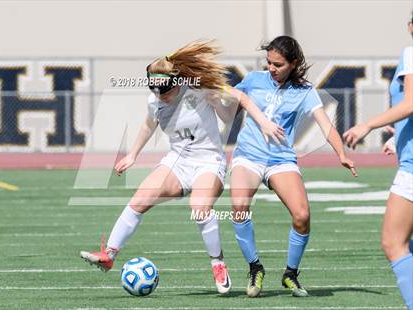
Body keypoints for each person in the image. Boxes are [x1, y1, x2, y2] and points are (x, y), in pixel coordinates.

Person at [80, 40, 284, 295]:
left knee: (199, 208)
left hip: (209, 161)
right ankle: (109, 254)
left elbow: (239, 99)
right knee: (139, 199)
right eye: (155, 90)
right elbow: (148, 125)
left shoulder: (199, 88)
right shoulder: (154, 99)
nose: (160, 95)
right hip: (177, 161)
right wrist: (132, 155)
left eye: (164, 90)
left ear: (176, 81)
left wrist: (262, 122)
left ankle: (218, 263)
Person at [228, 35, 358, 297]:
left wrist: (341, 154)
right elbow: (231, 93)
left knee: (302, 215)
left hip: (280, 160)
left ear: (293, 63)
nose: (272, 69)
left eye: (278, 64)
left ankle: (290, 273)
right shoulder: (254, 79)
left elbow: (326, 125)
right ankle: (255, 268)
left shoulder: (305, 91)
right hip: (248, 156)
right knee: (239, 207)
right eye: (269, 63)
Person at [343, 17, 413, 309]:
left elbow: (410, 103)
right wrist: (398, 137)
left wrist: (367, 125)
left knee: (393, 243)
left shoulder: (411, 53)